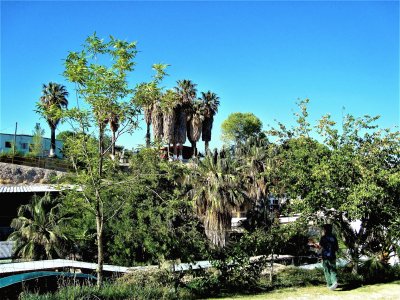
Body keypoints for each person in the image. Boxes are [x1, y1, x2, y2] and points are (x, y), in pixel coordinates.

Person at [309, 224, 339, 290]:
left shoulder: (323, 238)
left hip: (325, 256)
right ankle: (334, 282)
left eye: (324, 229)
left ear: (325, 230)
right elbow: (337, 248)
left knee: (327, 270)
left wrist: (313, 244)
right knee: (333, 269)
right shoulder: (334, 237)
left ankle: (330, 284)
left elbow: (319, 247)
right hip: (332, 256)